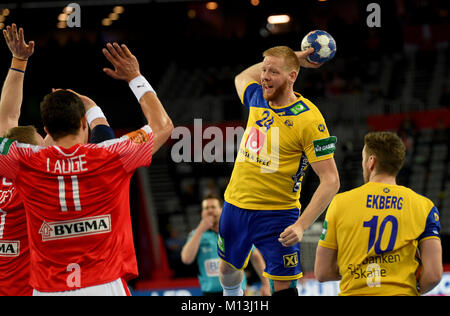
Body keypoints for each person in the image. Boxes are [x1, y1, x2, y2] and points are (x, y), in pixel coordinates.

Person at [0, 42, 173, 295]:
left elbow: (6, 123)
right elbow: (163, 125)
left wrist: (18, 61)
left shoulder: (25, 160)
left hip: (49, 288)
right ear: (84, 123)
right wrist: (134, 77)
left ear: (45, 129)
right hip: (103, 284)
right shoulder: (111, 154)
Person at [0, 24, 115, 296]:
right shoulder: (36, 179)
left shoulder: (6, 164)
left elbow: (7, 120)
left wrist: (18, 62)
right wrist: (86, 109)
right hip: (27, 290)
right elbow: (93, 144)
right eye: (43, 144)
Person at [218, 46, 340, 296]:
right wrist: (295, 56)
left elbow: (331, 180)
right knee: (227, 271)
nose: (264, 76)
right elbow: (241, 78)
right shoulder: (258, 98)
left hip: (278, 214)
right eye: (263, 70)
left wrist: (302, 226)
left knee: (284, 286)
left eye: (273, 71)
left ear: (292, 77)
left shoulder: (309, 120)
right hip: (236, 205)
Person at [315, 131, 442, 296]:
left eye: (363, 159)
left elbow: (322, 271)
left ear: (371, 161)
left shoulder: (340, 203)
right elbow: (434, 275)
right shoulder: (424, 206)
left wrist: (358, 269)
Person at [181, 194, 271, 296]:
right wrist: (200, 229)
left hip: (237, 290)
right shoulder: (196, 235)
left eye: (213, 207)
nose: (210, 211)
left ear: (221, 210)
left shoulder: (233, 231)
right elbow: (186, 259)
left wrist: (266, 283)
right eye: (206, 208)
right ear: (202, 212)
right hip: (210, 293)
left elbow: (255, 256)